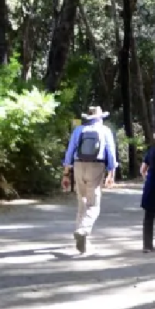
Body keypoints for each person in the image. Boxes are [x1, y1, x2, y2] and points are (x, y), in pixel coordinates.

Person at [62, 106, 118, 254]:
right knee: (93, 204)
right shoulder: (105, 131)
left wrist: (66, 173)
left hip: (78, 165)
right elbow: (111, 153)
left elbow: (70, 151)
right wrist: (111, 174)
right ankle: (83, 230)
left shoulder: (79, 130)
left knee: (82, 201)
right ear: (100, 117)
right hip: (96, 166)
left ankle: (82, 242)